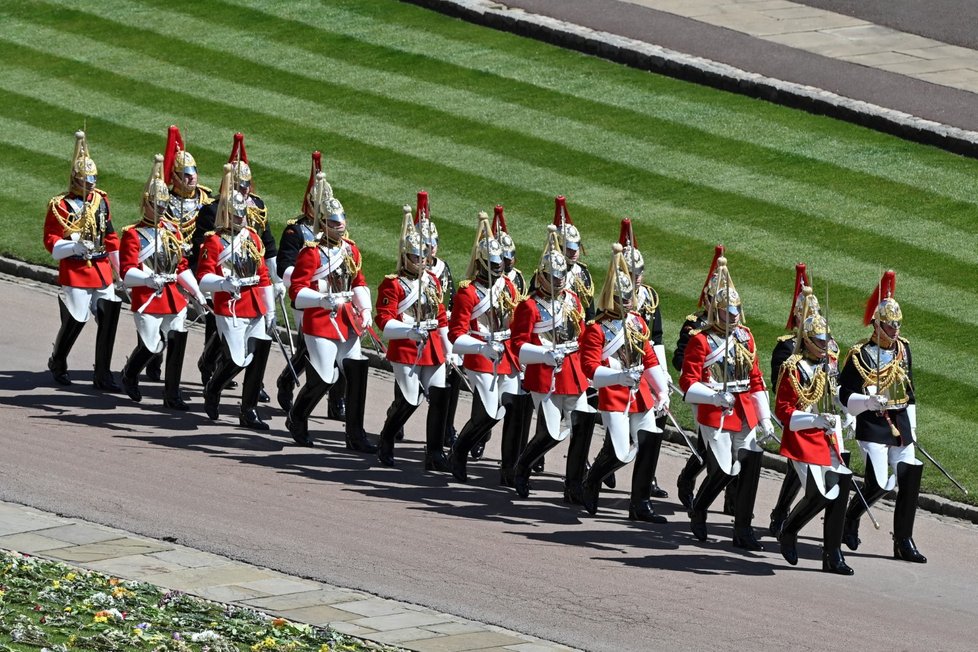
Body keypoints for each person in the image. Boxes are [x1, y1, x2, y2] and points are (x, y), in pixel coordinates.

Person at [680, 257, 774, 549]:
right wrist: (713, 396)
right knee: (722, 469)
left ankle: (743, 529)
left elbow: (756, 379)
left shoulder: (746, 337)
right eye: (726, 312)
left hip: (744, 411)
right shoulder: (701, 341)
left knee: (746, 469)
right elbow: (688, 382)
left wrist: (765, 418)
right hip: (716, 413)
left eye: (735, 311)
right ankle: (700, 508)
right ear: (715, 312)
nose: (733, 316)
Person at [838, 271, 926, 563]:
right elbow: (843, 393)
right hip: (873, 422)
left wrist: (912, 426)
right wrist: (865, 402)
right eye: (890, 325)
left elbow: (909, 391)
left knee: (909, 475)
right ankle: (850, 517)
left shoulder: (904, 349)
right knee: (878, 483)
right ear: (877, 324)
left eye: (898, 324)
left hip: (899, 421)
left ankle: (903, 540)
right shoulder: (858, 355)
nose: (895, 330)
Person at [577, 244, 670, 519]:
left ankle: (640, 503)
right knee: (619, 453)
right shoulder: (597, 329)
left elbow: (650, 359)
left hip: (640, 393)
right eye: (623, 298)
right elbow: (591, 370)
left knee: (648, 445)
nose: (628, 302)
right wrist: (619, 376)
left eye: (629, 298)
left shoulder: (639, 324)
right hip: (614, 393)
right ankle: (591, 481)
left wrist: (662, 392)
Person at [286, 173, 376, 453]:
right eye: (335, 223)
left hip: (346, 320)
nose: (341, 226)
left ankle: (355, 433)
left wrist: (366, 308)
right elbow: (297, 291)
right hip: (320, 322)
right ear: (323, 224)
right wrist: (322, 299)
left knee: (355, 372)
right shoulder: (310, 253)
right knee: (325, 377)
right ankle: (298, 417)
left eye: (342, 221)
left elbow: (358, 281)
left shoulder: (351, 250)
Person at [507, 225, 594, 501]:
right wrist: (544, 355)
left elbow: (581, 335)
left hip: (573, 371)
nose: (557, 283)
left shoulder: (573, 301)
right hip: (546, 374)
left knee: (580, 427)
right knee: (552, 433)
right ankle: (523, 466)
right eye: (551, 278)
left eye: (560, 277)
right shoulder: (529, 306)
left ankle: (574, 484)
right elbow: (519, 345)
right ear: (541, 277)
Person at [774, 288, 854, 575]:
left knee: (841, 485)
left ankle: (832, 553)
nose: (825, 346)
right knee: (819, 494)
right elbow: (784, 411)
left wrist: (847, 415)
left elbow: (835, 396)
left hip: (828, 436)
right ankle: (789, 529)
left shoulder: (828, 367)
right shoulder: (793, 367)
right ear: (807, 342)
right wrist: (814, 421)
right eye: (819, 341)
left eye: (825, 340)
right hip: (803, 437)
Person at [197, 134, 280, 405]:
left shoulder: (255, 208)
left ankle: (250, 399)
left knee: (256, 348)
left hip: (251, 290)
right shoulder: (212, 210)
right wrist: (219, 284)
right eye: (239, 185)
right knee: (227, 344)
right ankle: (211, 370)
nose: (244, 190)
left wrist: (271, 298)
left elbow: (266, 246)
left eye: (247, 185)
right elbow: (203, 249)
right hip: (222, 280)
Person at [118, 154, 207, 410]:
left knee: (176, 341)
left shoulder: (174, 231)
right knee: (151, 345)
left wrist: (197, 292)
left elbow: (180, 267)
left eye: (163, 205)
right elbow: (126, 272)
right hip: (148, 297)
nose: (159, 210)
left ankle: (172, 393)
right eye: (155, 205)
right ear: (145, 204)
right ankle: (130, 373)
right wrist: (148, 277)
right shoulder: (133, 234)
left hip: (172, 295)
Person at [373, 206, 451, 470]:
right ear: (405, 257)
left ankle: (435, 452)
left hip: (432, 346)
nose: (422, 262)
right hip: (406, 346)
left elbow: (440, 317)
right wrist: (408, 331)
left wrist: (448, 347)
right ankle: (386, 437)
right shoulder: (393, 284)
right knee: (409, 399)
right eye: (416, 258)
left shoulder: (432, 282)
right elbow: (384, 320)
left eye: (424, 257)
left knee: (439, 397)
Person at [446, 211, 521, 483]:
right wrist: (481, 348)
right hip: (481, 356)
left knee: (512, 408)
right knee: (488, 413)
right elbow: (456, 335)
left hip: (506, 356)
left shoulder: (509, 288)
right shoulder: (468, 293)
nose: (498, 267)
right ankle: (460, 452)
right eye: (493, 263)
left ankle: (510, 468)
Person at [44, 130, 122, 391]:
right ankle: (58, 360)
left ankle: (102, 373)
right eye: (85, 180)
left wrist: (119, 267)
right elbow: (52, 243)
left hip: (100, 268)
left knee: (109, 318)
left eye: (93, 179)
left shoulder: (101, 201)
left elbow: (110, 236)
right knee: (77, 318)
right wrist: (74, 245)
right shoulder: (60, 206)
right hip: (77, 268)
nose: (90, 185)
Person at [275, 152, 348, 419]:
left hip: (336, 298)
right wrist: (314, 290)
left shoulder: (337, 232)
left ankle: (336, 400)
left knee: (341, 346)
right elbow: (287, 267)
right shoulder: (296, 231)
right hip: (309, 295)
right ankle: (288, 380)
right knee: (311, 345)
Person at [143, 126, 215, 385]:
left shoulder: (207, 200)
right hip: (171, 264)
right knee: (168, 315)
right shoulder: (165, 200)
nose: (191, 178)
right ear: (174, 176)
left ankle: (211, 363)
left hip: (199, 263)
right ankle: (154, 358)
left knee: (212, 314)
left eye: (193, 173)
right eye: (185, 175)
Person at [477, 204, 531, 474]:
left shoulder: (516, 281)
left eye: (509, 258)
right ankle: (477, 438)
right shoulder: (481, 283)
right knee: (486, 401)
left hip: (510, 346)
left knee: (517, 404)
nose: (507, 263)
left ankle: (514, 460)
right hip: (486, 342)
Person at [620, 218, 670, 501]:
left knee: (654, 422)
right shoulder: (612, 295)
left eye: (640, 271)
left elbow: (657, 337)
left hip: (646, 363)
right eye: (631, 271)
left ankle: (647, 478)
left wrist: (661, 374)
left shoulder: (650, 297)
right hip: (620, 366)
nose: (637, 276)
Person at [674, 245, 724, 509]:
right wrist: (696, 380)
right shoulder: (694, 324)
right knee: (707, 445)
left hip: (727, 390)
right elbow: (680, 357)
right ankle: (687, 478)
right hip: (702, 389)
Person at [415, 191, 461, 449]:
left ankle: (446, 426)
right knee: (409, 388)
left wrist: (451, 343)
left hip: (440, 331)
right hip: (417, 332)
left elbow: (451, 303)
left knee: (449, 381)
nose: (431, 247)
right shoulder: (410, 270)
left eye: (433, 242)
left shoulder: (443, 268)